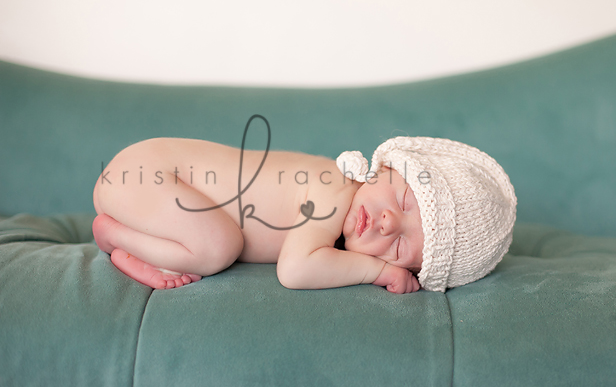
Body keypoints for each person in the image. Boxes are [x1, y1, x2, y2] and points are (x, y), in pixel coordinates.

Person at [92, 133, 516, 293]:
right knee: (217, 246)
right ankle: (114, 236)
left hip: (148, 181)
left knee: (214, 241)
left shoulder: (338, 217)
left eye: (402, 244)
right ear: (385, 167)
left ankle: (134, 244)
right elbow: (294, 270)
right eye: (404, 202)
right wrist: (379, 272)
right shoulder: (334, 186)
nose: (388, 223)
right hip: (146, 174)